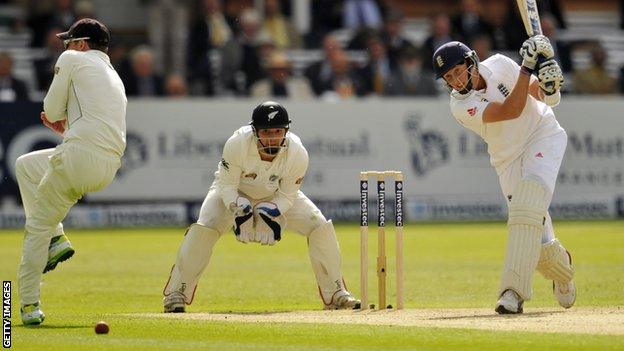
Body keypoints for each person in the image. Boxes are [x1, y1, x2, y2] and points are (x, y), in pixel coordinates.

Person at [162, 101, 360, 312]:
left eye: (278, 131)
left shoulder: (297, 152)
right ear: (255, 131)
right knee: (204, 228)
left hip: (275, 195)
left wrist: (270, 211)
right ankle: (177, 293)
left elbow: (287, 195)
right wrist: (240, 207)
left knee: (318, 225)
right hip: (235, 193)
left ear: (286, 131)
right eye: (266, 132)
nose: (272, 137)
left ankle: (337, 292)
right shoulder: (237, 143)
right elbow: (227, 186)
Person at [432, 38, 575, 314]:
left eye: (458, 71)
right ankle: (562, 269)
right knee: (537, 238)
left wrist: (550, 88)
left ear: (471, 61)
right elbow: (511, 110)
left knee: (526, 207)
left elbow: (535, 93)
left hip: (542, 135)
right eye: (448, 77)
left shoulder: (498, 64)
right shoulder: (460, 106)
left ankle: (513, 293)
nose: (455, 81)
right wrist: (528, 66)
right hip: (506, 158)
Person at [16, 18, 126, 325]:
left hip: (79, 158)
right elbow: (93, 129)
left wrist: (56, 122)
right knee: (25, 167)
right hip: (107, 166)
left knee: (35, 228)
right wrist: (65, 130)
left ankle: (27, 305)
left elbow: (51, 110)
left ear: (81, 44)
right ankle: (58, 238)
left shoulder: (72, 58)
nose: (65, 47)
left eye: (69, 42)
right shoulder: (113, 75)